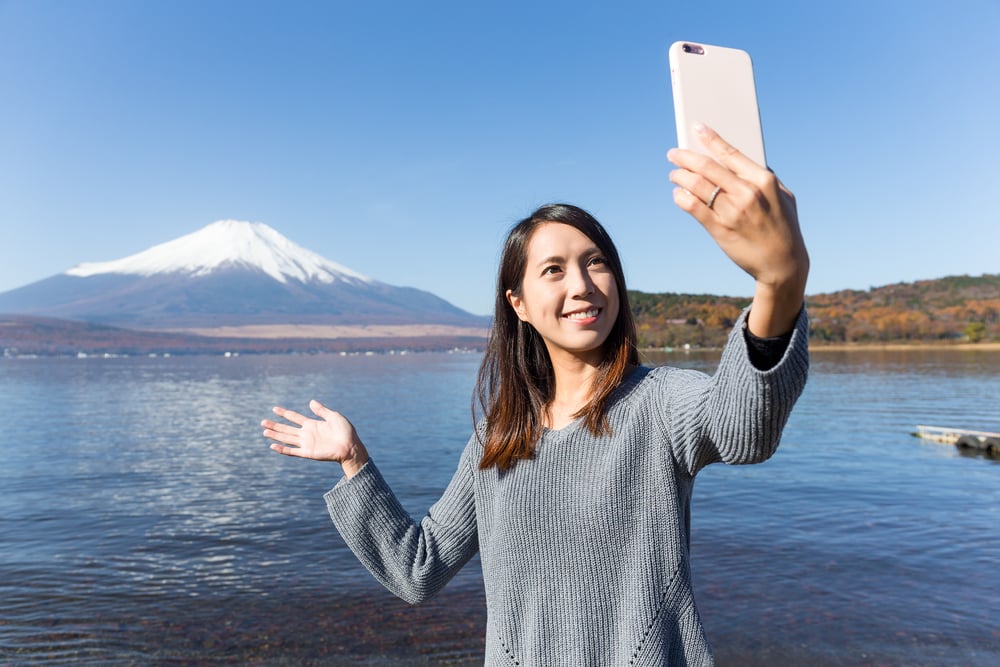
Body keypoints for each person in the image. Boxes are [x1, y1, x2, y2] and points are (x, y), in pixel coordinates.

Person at [262, 124, 809, 666]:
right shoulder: (496, 441)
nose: (582, 285)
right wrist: (353, 461)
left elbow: (745, 430)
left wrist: (778, 282)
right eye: (553, 270)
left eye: (596, 263)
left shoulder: (659, 403)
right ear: (518, 303)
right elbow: (417, 571)